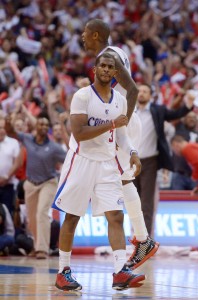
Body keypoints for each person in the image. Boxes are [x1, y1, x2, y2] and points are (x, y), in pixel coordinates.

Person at [53, 53, 146, 291]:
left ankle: (119, 272)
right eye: (102, 65)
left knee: (116, 216)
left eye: (110, 67)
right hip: (82, 161)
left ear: (116, 73)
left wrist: (133, 152)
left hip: (107, 163)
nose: (106, 69)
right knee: (72, 217)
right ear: (94, 69)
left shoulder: (120, 101)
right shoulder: (82, 96)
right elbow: (80, 133)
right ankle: (63, 271)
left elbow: (121, 135)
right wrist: (111, 125)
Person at [82, 18, 159, 271]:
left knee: (123, 180)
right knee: (124, 179)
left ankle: (143, 239)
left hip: (123, 121)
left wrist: (123, 123)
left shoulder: (110, 56)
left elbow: (134, 90)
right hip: (123, 120)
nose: (82, 37)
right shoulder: (117, 52)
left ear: (95, 35)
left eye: (85, 33)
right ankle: (142, 238)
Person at [134, 84, 195, 235]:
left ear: (150, 95)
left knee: (146, 203)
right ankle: (134, 235)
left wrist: (188, 105)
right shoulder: (129, 111)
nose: (141, 93)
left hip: (149, 161)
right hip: (130, 162)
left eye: (145, 91)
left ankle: (145, 239)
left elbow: (175, 114)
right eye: (139, 91)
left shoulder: (158, 110)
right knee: (132, 202)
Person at [6, 115, 66, 259]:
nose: (44, 127)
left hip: (48, 182)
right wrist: (8, 123)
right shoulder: (27, 139)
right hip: (31, 183)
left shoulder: (54, 147)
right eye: (41, 124)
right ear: (36, 127)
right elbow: (11, 133)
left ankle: (42, 250)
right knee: (31, 219)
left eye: (46, 125)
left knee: (42, 213)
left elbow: (69, 160)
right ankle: (36, 246)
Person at [171, 135, 198, 257]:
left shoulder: (187, 148)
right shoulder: (194, 147)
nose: (175, 152)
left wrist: (195, 177)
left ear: (176, 144)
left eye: (173, 149)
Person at [0, 116, 22, 215]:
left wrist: (6, 177)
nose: (1, 130)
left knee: (8, 213)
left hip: (8, 184)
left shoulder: (13, 142)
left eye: (3, 128)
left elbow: (17, 163)